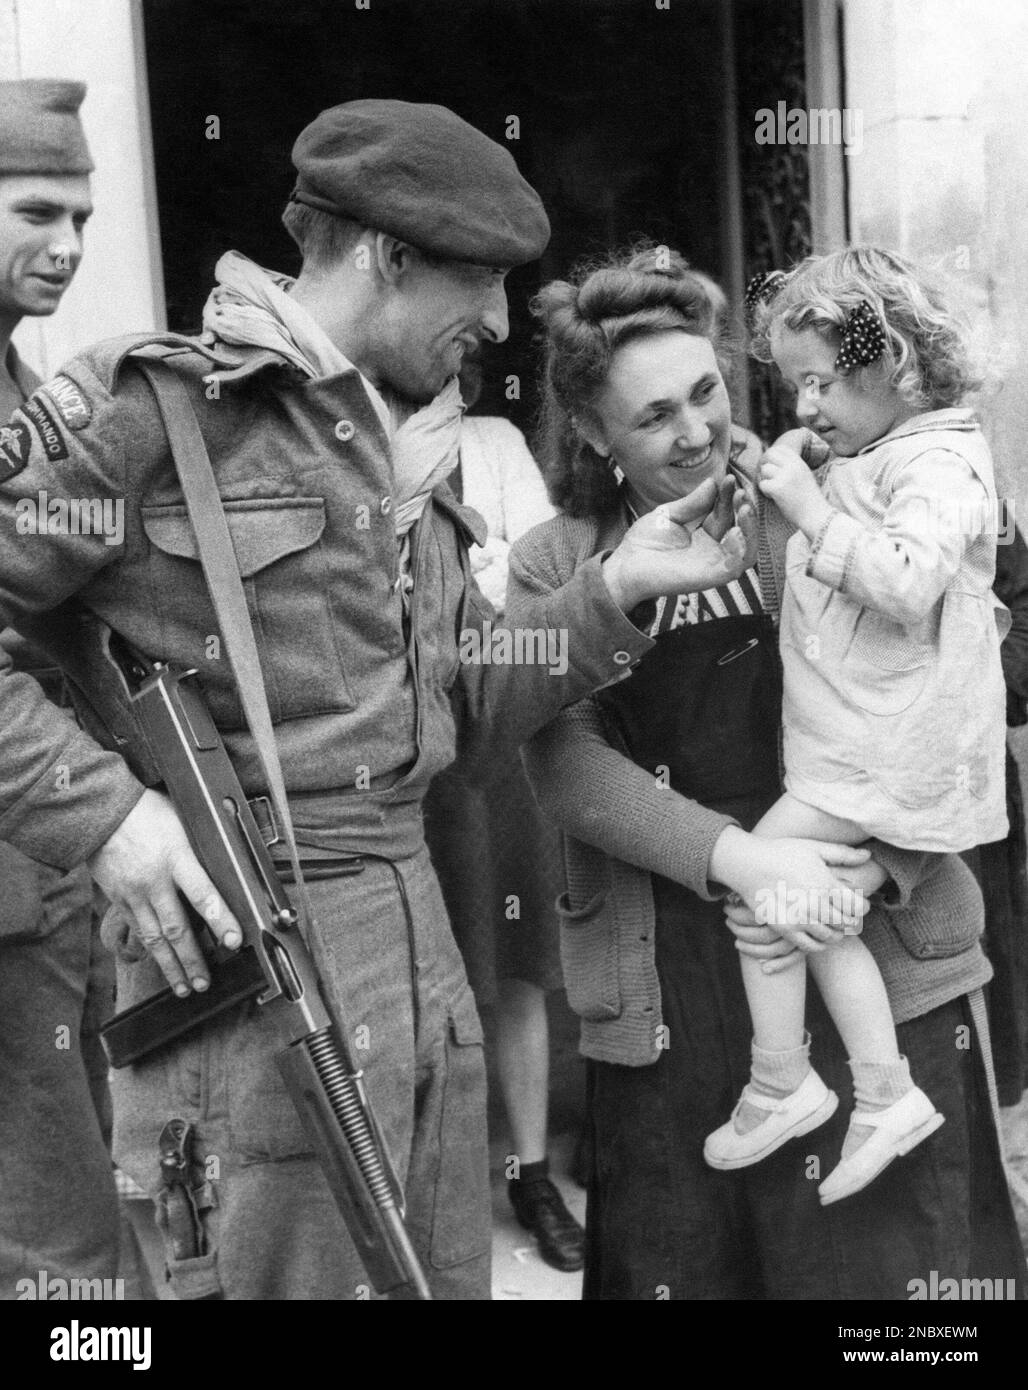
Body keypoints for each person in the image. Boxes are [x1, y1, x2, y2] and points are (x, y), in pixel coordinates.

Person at [0, 102, 756, 1300]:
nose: (501, 323)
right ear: (386, 256)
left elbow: (461, 718)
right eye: (481, 282)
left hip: (420, 969)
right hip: (246, 989)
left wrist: (616, 587)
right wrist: (102, 817)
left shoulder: (408, 452)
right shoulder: (152, 412)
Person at [511, 245, 1027, 1300]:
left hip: (867, 943)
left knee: (889, 1297)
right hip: (672, 985)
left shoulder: (844, 490)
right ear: (595, 434)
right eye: (651, 417)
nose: (695, 430)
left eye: (704, 391)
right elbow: (560, 763)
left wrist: (883, 855)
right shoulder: (556, 564)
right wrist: (744, 862)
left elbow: (986, 661)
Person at [703, 249, 1009, 1205]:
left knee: (761, 886)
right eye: (797, 384)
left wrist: (806, 505)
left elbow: (908, 579)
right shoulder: (877, 456)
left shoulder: (944, 458)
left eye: (822, 381)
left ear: (897, 362)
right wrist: (786, 487)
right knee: (795, 894)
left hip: (892, 755)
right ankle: (876, 1094)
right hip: (855, 753)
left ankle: (785, 1081)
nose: (806, 407)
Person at [423, 346, 584, 1273]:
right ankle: (429, 1186)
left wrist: (467, 606)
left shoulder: (492, 444)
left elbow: (538, 584)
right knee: (425, 970)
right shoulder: (345, 450)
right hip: (405, 756)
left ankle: (530, 1173)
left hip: (495, 742)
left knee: (516, 962)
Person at [0, 78, 120, 1300]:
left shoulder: (28, 385)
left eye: (83, 216)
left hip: (47, 884)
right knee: (57, 1252)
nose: (70, 246)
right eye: (38, 210)